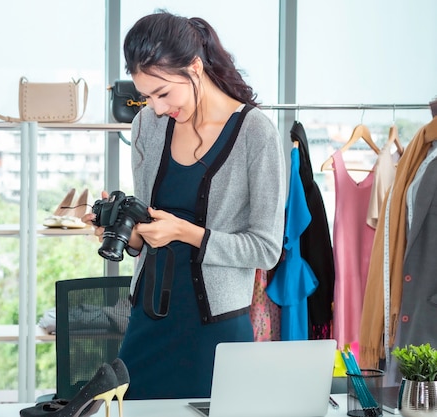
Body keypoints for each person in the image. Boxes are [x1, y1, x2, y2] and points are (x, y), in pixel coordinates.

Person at [85, 11, 286, 399]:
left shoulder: (255, 133)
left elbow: (266, 249)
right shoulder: (147, 125)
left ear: (194, 68)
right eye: (147, 96)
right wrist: (128, 232)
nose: (156, 107)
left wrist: (185, 232)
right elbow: (148, 235)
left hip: (217, 331)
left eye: (163, 93)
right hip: (149, 320)